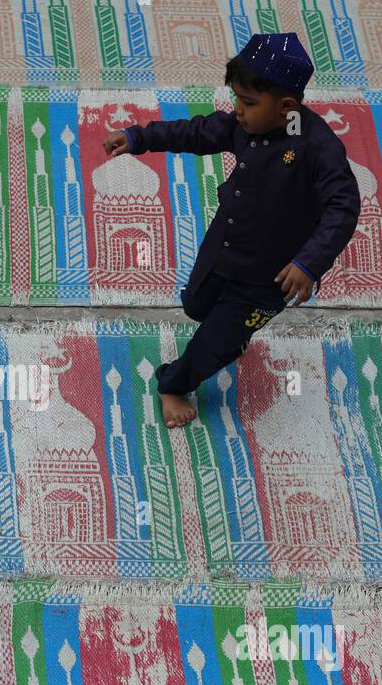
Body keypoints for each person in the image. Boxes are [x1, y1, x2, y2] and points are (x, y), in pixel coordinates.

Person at [102, 32, 360, 429]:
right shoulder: (243, 125)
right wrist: (139, 137)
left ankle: (174, 383)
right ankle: (232, 335)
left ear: (286, 106)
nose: (237, 110)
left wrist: (308, 264)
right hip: (225, 247)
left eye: (249, 102)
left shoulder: (316, 147)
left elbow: (343, 207)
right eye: (236, 98)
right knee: (196, 306)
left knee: (212, 344)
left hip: (267, 280)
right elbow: (195, 132)